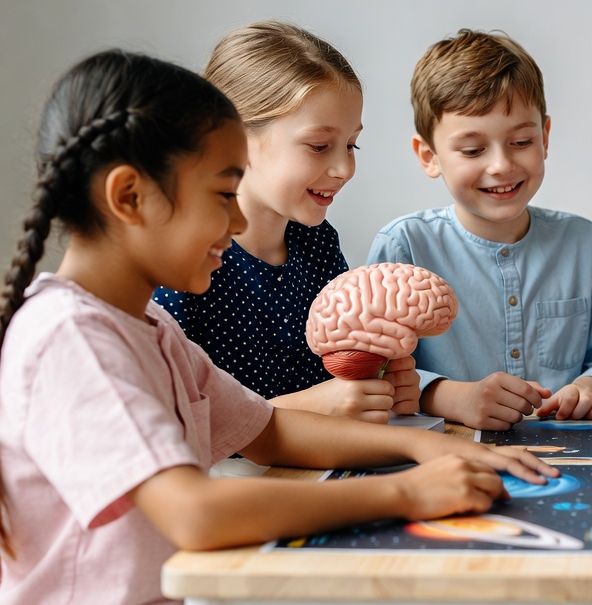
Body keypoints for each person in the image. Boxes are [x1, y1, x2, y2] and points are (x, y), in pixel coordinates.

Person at [0, 51, 557, 604]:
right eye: (224, 195)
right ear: (129, 197)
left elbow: (268, 431)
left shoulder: (150, 327)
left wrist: (425, 449)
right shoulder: (71, 338)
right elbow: (194, 513)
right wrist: (408, 492)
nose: (237, 220)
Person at [367, 30, 592, 430]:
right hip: (446, 449)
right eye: (473, 150)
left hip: (566, 447)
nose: (501, 165)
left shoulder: (584, 243)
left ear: (544, 137)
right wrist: (452, 397)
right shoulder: (404, 246)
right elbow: (373, 372)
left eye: (521, 141)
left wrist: (590, 387)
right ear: (429, 156)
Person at [153, 21, 419, 423]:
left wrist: (380, 385)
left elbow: (339, 378)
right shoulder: (182, 262)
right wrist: (306, 407)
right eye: (319, 146)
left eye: (351, 145)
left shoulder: (317, 243)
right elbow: (169, 419)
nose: (344, 168)